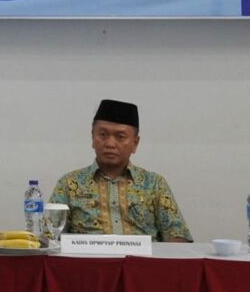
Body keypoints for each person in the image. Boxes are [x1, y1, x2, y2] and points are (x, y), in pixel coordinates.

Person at [50, 99, 192, 241]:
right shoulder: (69, 184)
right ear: (92, 137)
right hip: (86, 256)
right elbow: (49, 237)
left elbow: (178, 237)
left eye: (120, 137)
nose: (110, 144)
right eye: (103, 135)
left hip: (142, 256)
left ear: (135, 143)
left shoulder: (154, 184)